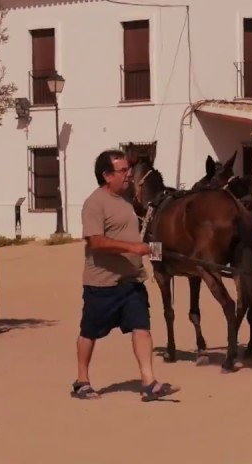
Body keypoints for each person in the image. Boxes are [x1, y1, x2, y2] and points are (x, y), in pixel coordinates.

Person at [73, 150, 179, 401]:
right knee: (89, 332)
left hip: (131, 282)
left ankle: (149, 382)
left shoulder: (127, 202)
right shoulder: (94, 203)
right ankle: (81, 381)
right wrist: (133, 249)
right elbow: (96, 242)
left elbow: (136, 239)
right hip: (102, 283)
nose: (129, 176)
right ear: (107, 176)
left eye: (128, 171)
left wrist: (163, 254)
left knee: (142, 328)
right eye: (123, 171)